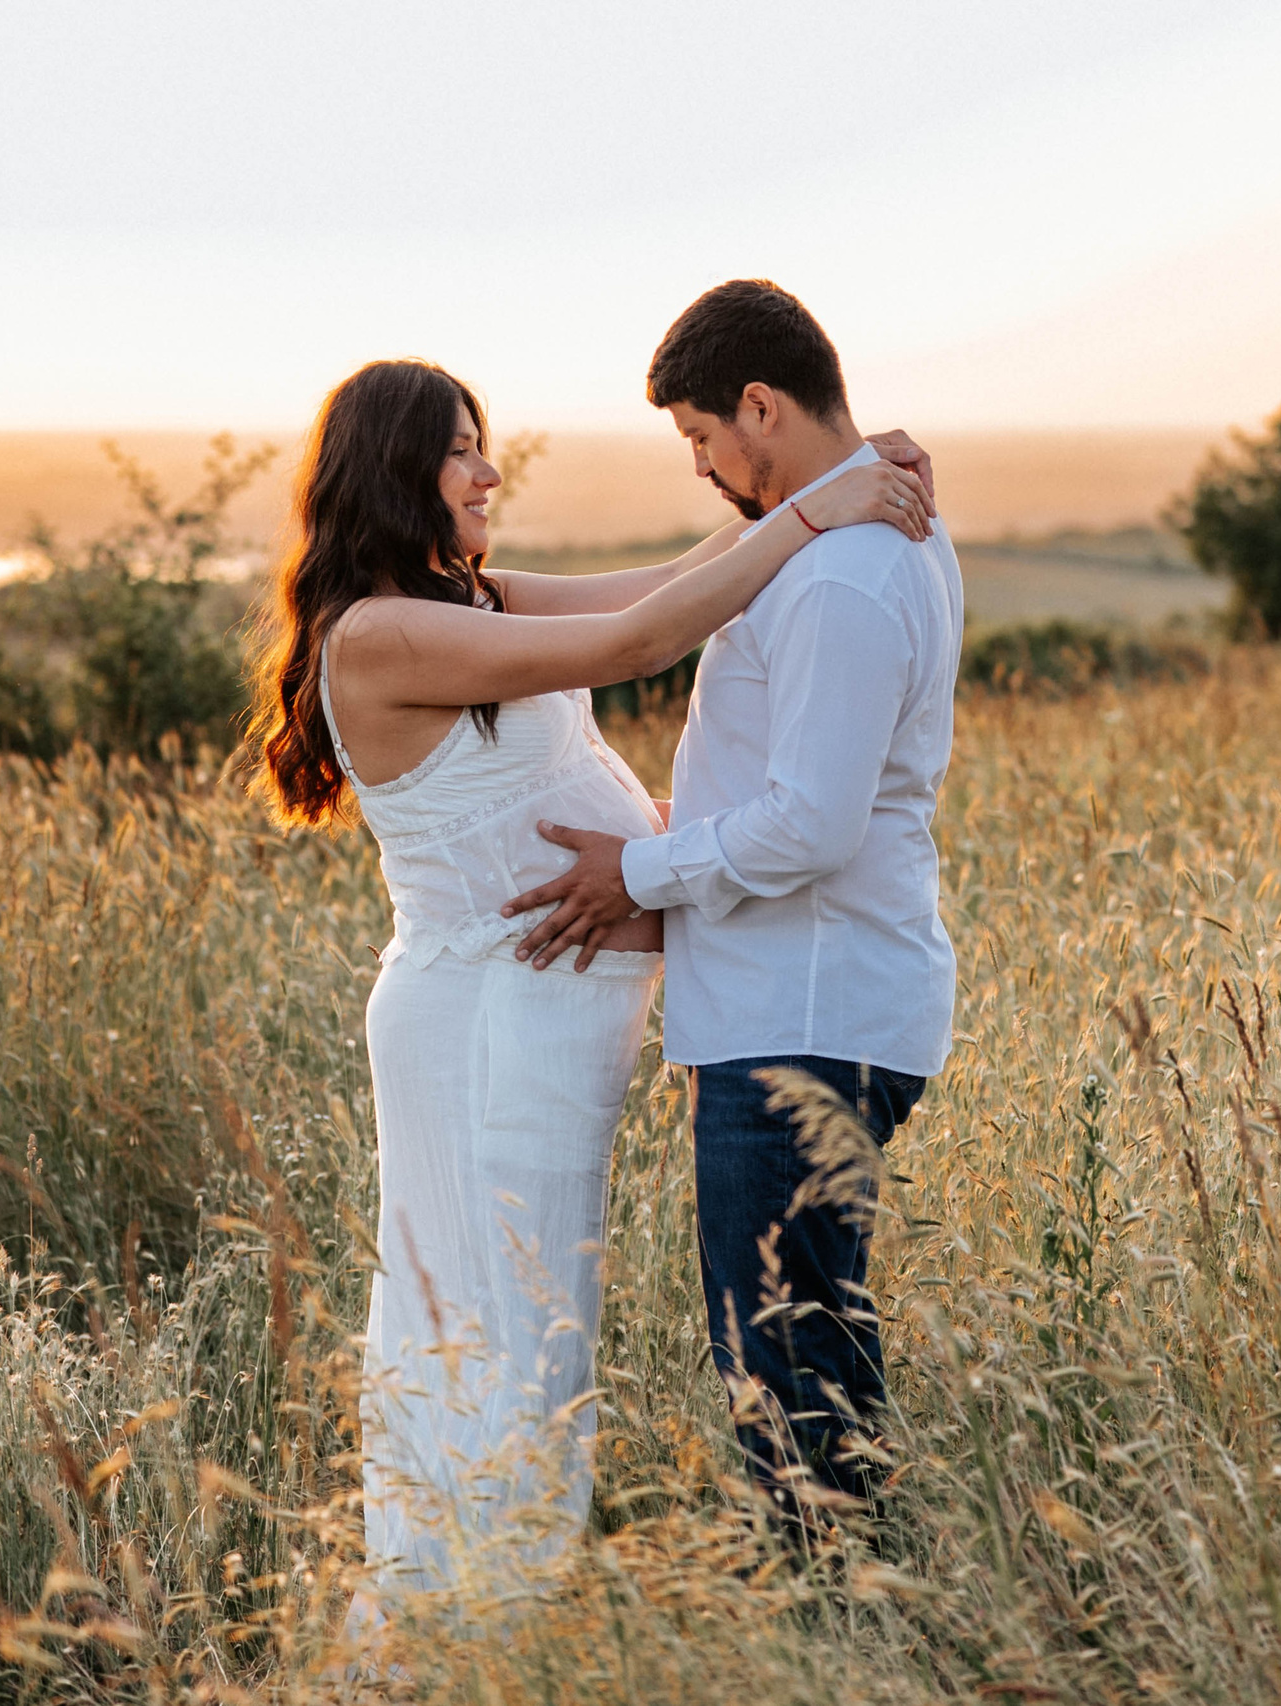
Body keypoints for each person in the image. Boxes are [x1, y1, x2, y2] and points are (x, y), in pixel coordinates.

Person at [243, 357, 936, 1608]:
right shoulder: (384, 631)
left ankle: (493, 1615)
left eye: (481, 444)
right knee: (496, 1338)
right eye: (460, 450)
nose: (486, 470)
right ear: (395, 469)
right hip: (484, 1029)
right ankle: (458, 1630)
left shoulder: (468, 599)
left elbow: (671, 585)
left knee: (530, 1332)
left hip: (539, 1022)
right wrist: (816, 512)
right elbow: (639, 640)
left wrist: (826, 478)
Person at [506, 280, 963, 1528]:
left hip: (800, 1018)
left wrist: (632, 872)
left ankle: (835, 1620)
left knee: (785, 1375)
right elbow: (656, 596)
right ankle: (857, 1608)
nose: (703, 466)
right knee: (810, 1353)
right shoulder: (837, 540)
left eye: (703, 437)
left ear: (761, 406)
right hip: (800, 1006)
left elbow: (810, 823)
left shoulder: (840, 578)